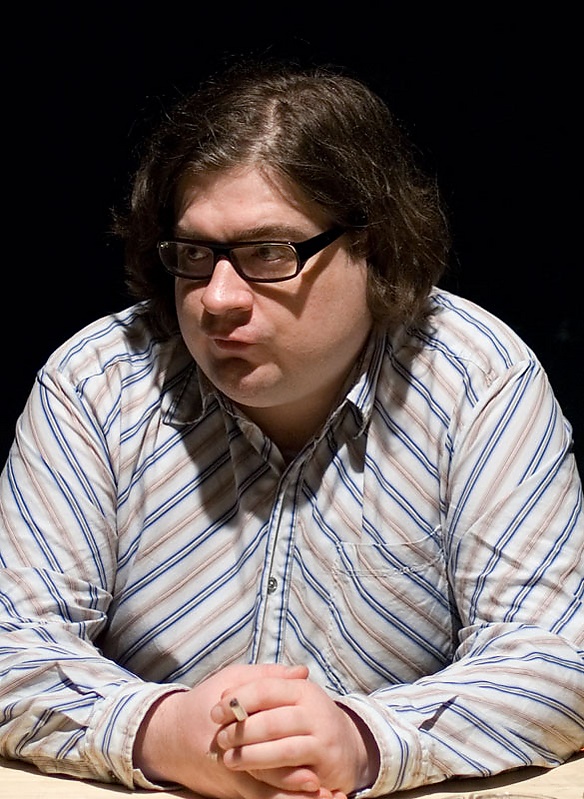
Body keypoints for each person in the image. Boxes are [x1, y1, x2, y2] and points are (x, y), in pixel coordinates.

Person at [0, 59, 582, 799]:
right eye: (195, 254)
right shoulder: (97, 383)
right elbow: (11, 643)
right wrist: (164, 732)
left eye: (268, 253)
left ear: (375, 247)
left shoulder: (478, 381)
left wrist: (362, 740)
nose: (217, 298)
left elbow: (556, 658)